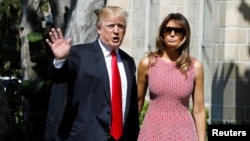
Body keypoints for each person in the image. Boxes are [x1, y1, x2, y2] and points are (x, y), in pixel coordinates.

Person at [45, 6, 139, 141]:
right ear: (98, 29)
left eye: (121, 26)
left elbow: (131, 107)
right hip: (84, 136)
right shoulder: (80, 54)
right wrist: (60, 60)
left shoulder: (128, 61)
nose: (116, 31)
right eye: (111, 26)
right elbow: (58, 77)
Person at [137, 13, 206, 141]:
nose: (172, 34)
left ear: (185, 35)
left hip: (184, 133)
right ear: (162, 34)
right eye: (168, 30)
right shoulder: (147, 63)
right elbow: (138, 102)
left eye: (178, 31)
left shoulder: (195, 67)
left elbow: (199, 109)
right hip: (152, 132)